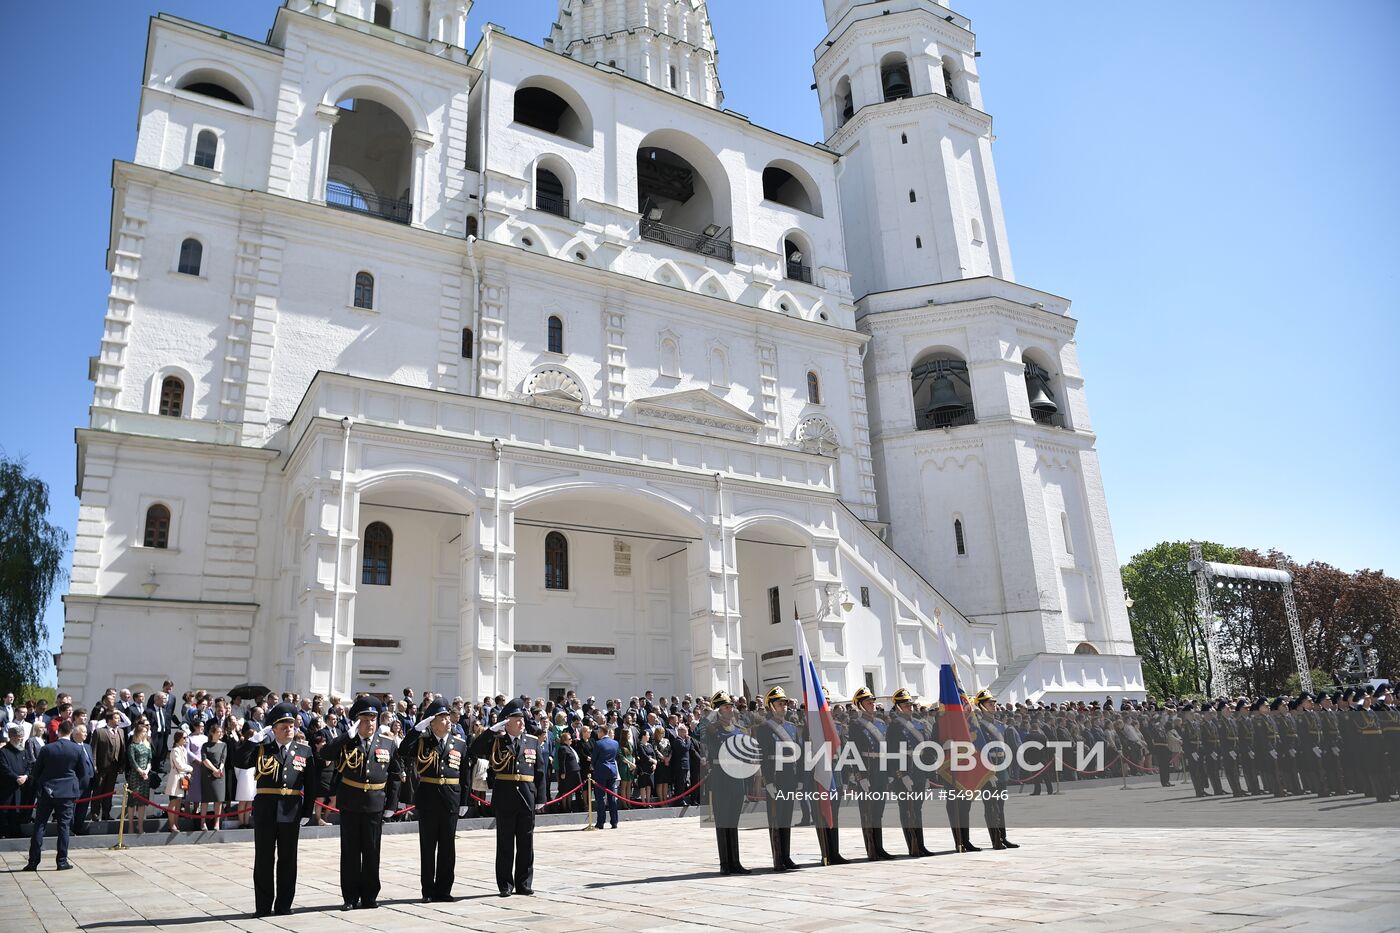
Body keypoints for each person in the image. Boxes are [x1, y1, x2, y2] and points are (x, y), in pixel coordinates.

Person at [231, 702, 316, 917]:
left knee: (288, 861)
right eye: (284, 726)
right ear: (274, 729)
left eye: (291, 726)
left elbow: (312, 784)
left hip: (291, 811)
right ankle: (263, 906)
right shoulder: (262, 748)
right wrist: (254, 740)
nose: (289, 729)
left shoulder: (304, 751)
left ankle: (284, 905)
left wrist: (307, 812)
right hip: (266, 811)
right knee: (264, 860)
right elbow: (238, 760)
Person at [326, 695, 403, 911]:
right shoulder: (347, 741)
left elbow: (395, 775)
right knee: (350, 852)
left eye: (373, 719)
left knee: (372, 851)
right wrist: (345, 736)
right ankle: (349, 897)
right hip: (351, 803)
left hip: (375, 804)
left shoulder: (387, 743)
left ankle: (369, 896)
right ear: (357, 721)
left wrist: (392, 805)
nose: (370, 724)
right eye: (365, 720)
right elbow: (324, 753)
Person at [470, 698, 546, 897]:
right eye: (517, 720)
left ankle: (524, 883)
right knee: (505, 843)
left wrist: (541, 797)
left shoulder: (531, 741)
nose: (522, 723)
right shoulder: (497, 740)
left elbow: (540, 771)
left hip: (527, 796)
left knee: (526, 843)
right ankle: (505, 885)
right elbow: (475, 750)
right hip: (505, 797)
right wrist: (491, 731)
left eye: (522, 719)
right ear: (507, 722)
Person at [399, 700, 470, 903]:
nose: (448, 721)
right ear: (432, 722)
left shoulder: (459, 744)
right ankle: (428, 891)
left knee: (448, 848)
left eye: (448, 717)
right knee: (428, 847)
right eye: (442, 718)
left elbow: (465, 775)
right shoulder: (422, 741)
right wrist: (417, 728)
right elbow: (403, 750)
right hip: (429, 798)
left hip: (450, 799)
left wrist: (464, 801)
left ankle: (444, 890)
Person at [24, 719, 92, 871]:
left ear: (58, 732)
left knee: (39, 825)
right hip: (67, 792)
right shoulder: (77, 749)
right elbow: (83, 773)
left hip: (47, 791)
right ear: (71, 732)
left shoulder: (47, 749)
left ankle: (33, 861)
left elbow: (36, 772)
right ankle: (61, 861)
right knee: (64, 827)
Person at [698, 691, 749, 875]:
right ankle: (725, 863)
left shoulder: (738, 730)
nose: (730, 709)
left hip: (736, 778)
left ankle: (736, 861)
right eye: (726, 707)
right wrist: (712, 715)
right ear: (718, 710)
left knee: (733, 822)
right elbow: (700, 730)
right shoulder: (712, 730)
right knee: (722, 822)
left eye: (730, 706)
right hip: (720, 777)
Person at [754, 686, 803, 871]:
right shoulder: (764, 728)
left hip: (790, 775)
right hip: (776, 776)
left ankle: (787, 856)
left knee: (787, 817)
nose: (784, 706)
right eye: (780, 703)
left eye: (784, 703)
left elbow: (798, 754)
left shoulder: (791, 727)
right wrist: (768, 781)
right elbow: (764, 756)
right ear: (771, 706)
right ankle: (778, 859)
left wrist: (799, 778)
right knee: (776, 818)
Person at [885, 687, 935, 857]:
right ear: (898, 707)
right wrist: (901, 774)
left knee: (918, 809)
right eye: (906, 705)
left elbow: (926, 749)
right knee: (907, 809)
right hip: (905, 772)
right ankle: (912, 845)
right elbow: (892, 753)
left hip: (919, 770)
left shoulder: (919, 724)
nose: (910, 708)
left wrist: (928, 774)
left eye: (910, 705)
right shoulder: (894, 727)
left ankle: (921, 844)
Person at [848, 686, 894, 860]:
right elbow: (853, 751)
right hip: (868, 769)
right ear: (860, 705)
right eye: (868, 702)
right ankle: (871, 849)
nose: (872, 705)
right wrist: (860, 775)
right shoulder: (856, 725)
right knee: (867, 811)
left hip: (881, 768)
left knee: (879, 810)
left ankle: (880, 847)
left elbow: (887, 749)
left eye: (873, 701)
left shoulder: (881, 724)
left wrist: (889, 771)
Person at [971, 690, 1018, 850]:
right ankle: (995, 839)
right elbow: (978, 752)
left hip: (1001, 768)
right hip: (988, 772)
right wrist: (987, 772)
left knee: (1000, 805)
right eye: (990, 704)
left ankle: (1003, 836)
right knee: (991, 806)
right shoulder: (978, 727)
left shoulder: (998, 725)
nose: (994, 706)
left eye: (994, 704)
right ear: (982, 706)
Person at [91, 709, 125, 822]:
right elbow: (94, 750)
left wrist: (121, 764)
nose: (119, 720)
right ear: (109, 720)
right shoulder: (99, 732)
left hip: (114, 767)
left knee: (109, 791)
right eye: (116, 718)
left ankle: (106, 813)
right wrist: (94, 765)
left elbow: (122, 749)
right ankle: (95, 813)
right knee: (98, 790)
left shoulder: (120, 731)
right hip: (101, 767)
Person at [199, 720, 229, 831]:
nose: (221, 734)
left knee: (219, 799)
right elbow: (204, 759)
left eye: (221, 732)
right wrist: (213, 770)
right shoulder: (205, 745)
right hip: (207, 774)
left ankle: (217, 823)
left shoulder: (223, 745)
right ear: (212, 733)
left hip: (220, 774)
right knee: (205, 799)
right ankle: (203, 822)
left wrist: (219, 769)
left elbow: (223, 759)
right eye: (218, 732)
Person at [125, 719, 154, 835]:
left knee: (142, 801)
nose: (145, 734)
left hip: (145, 776)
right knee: (132, 801)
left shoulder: (147, 746)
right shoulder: (132, 746)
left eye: (146, 732)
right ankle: (131, 825)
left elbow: (149, 760)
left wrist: (146, 771)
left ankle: (140, 825)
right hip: (135, 776)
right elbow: (132, 761)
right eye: (143, 732)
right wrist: (140, 771)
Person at [0, 724, 28, 838]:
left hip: (21, 786)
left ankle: (16, 831)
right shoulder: (3, 752)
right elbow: (4, 768)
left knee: (17, 811)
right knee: (5, 811)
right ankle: (3, 832)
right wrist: (16, 778)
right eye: (18, 736)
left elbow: (28, 765)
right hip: (7, 786)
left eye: (22, 736)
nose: (20, 739)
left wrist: (25, 776)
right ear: (11, 737)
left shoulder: (23, 751)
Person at [591, 723, 620, 829]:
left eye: (599, 731)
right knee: (612, 797)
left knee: (600, 797)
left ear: (602, 732)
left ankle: (601, 822)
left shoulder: (598, 744)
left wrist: (594, 766)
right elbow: (616, 756)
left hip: (601, 771)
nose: (597, 734)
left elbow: (594, 759)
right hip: (612, 771)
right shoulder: (615, 743)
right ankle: (614, 821)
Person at [163, 729, 193, 832]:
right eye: (184, 738)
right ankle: (171, 825)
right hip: (176, 778)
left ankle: (176, 823)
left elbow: (184, 765)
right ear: (178, 738)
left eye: (186, 737)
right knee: (173, 801)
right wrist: (190, 769)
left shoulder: (183, 749)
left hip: (183, 777)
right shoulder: (175, 750)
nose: (186, 740)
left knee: (179, 802)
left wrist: (188, 772)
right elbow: (179, 765)